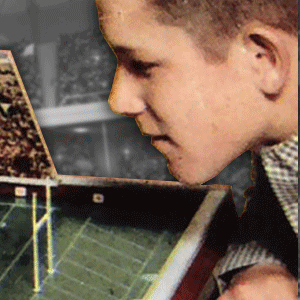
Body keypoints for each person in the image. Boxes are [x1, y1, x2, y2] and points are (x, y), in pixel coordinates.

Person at [96, 0, 297, 298]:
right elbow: (269, 216)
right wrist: (260, 267)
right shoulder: (276, 136)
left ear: (263, 59)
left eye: (141, 65)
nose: (118, 100)